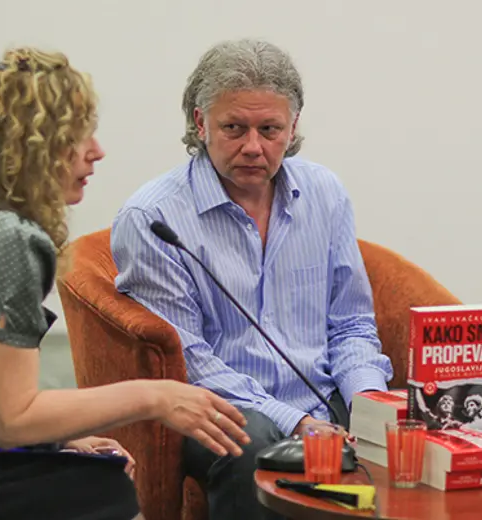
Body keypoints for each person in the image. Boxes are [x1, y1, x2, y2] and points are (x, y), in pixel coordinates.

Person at [0, 47, 250, 520]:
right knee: (105, 488)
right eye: (79, 135)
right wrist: (156, 396)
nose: (97, 150)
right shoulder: (9, 239)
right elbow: (10, 419)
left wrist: (61, 438)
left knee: (93, 470)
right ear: (36, 143)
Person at [110, 38, 394, 520]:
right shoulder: (153, 217)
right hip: (223, 409)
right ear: (200, 123)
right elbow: (190, 363)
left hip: (322, 396)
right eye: (234, 128)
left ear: (293, 127)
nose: (253, 147)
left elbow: (351, 324)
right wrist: (296, 422)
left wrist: (369, 402)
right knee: (252, 443)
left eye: (270, 129)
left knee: (414, 435)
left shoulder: (324, 194)